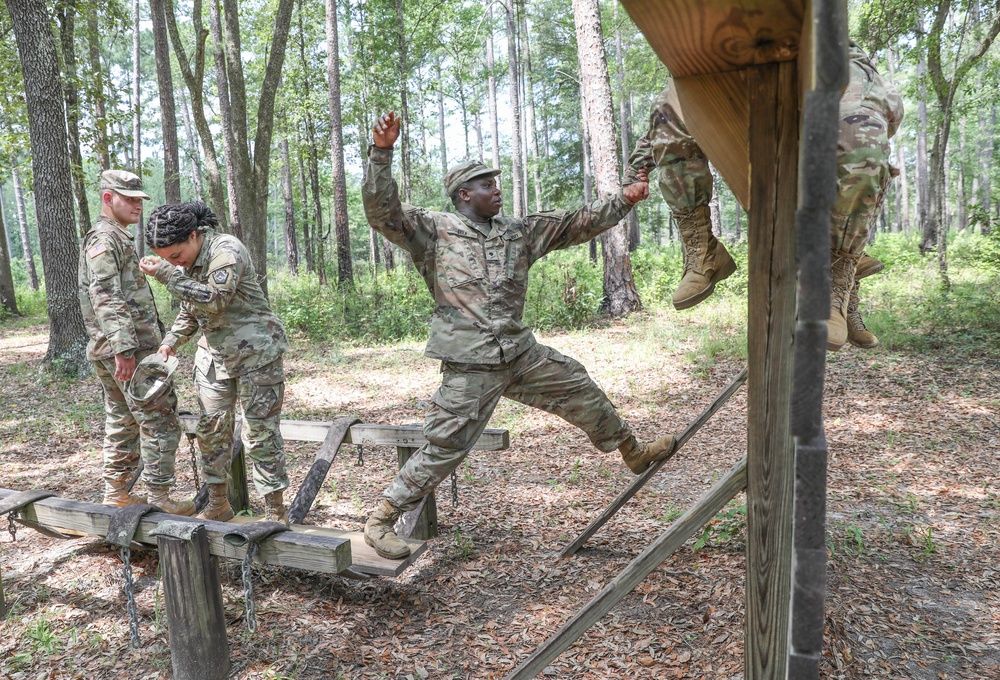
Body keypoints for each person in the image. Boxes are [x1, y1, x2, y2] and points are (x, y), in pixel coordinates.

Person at [359, 111, 675, 560]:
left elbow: (577, 222)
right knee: (443, 446)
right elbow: (381, 210)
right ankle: (381, 520)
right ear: (464, 194)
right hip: (471, 365)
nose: (497, 190)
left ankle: (633, 451)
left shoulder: (518, 232)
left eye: (498, 183)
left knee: (580, 386)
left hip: (521, 356)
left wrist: (624, 199)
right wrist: (382, 153)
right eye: (488, 185)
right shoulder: (433, 230)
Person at [626, 41, 903, 351]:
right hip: (742, 57)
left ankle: (838, 279)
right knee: (671, 101)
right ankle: (702, 249)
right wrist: (637, 167)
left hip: (822, 52)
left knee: (860, 131)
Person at [138, 202, 291, 523]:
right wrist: (171, 341)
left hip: (257, 356)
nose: (173, 263)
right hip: (213, 359)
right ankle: (218, 504)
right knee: (212, 431)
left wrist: (166, 274)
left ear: (194, 235)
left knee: (261, 434)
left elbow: (215, 298)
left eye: (176, 256)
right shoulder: (183, 262)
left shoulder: (226, 250)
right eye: (167, 259)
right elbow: (191, 307)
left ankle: (276, 513)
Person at [77, 170, 195, 515]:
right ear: (107, 198)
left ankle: (117, 492)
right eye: (128, 199)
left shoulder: (116, 237)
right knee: (159, 418)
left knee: (122, 419)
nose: (137, 205)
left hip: (114, 348)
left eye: (139, 199)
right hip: (127, 351)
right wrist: (124, 349)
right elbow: (105, 294)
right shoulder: (104, 238)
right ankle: (160, 497)